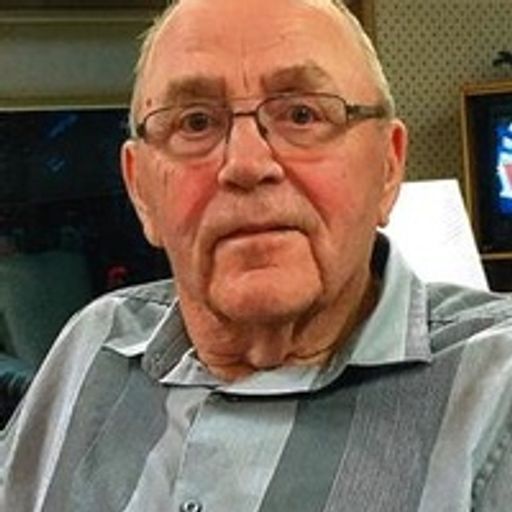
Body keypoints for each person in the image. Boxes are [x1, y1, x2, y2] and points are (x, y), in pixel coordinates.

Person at [1, 0, 512, 510]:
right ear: (140, 191)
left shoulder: (496, 389)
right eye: (195, 122)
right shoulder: (94, 344)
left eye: (302, 115)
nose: (246, 164)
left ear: (388, 167)